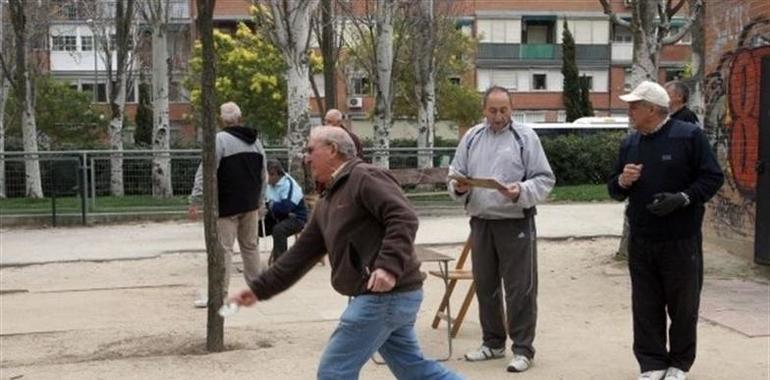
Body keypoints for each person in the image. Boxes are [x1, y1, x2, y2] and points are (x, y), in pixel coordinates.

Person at [230, 126, 463, 380]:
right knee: (415, 370)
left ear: (332, 150)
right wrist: (259, 288)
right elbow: (300, 255)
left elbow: (403, 217)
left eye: (310, 150)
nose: (305, 158)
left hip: (384, 297)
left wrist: (387, 267)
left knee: (334, 373)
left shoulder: (365, 176)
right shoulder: (328, 199)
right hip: (389, 297)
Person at [608, 81, 724, 380]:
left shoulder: (688, 136)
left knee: (683, 305)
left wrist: (682, 198)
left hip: (680, 239)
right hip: (642, 238)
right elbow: (614, 190)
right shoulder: (630, 143)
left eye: (634, 105)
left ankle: (679, 363)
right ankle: (652, 362)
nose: (629, 110)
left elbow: (712, 177)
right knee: (645, 304)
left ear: (653, 109)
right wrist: (623, 181)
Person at [447, 86, 555, 373]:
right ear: (484, 109)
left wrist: (520, 190)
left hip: (515, 222)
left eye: (503, 110)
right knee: (486, 286)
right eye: (492, 110)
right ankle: (493, 343)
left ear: (512, 108)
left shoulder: (525, 137)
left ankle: (522, 349)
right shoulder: (471, 136)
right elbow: (454, 172)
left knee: (520, 288)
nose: (498, 116)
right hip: (480, 222)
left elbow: (545, 179)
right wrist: (457, 187)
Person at [189, 101, 267, 308]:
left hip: (226, 205)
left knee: (223, 250)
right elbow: (263, 175)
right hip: (250, 204)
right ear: (239, 117)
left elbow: (206, 170)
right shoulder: (257, 143)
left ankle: (217, 294)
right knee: (251, 247)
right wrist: (260, 201)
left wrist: (196, 198)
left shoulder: (219, 140)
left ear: (222, 119)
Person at [264, 159, 307, 263]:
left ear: (274, 174)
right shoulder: (269, 184)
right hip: (277, 216)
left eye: (266, 175)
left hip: (295, 218)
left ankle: (280, 263)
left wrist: (269, 205)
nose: (264, 179)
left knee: (279, 230)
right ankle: (252, 262)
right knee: (251, 226)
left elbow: (285, 208)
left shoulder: (288, 184)